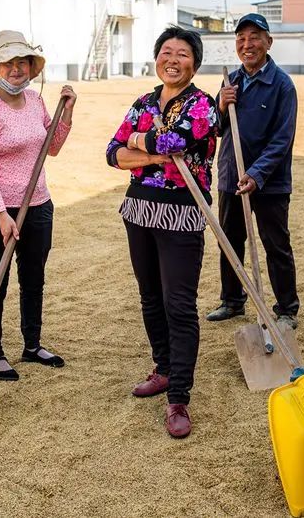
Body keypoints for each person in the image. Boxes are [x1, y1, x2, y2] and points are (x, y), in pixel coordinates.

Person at [105, 25, 219, 439]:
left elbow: (179, 139)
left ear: (195, 62)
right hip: (138, 210)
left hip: (181, 213)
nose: (173, 59)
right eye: (167, 51)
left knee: (179, 304)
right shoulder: (143, 101)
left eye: (183, 53)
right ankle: (164, 368)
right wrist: (154, 153)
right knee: (150, 297)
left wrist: (140, 147)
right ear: (157, 57)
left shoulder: (203, 104)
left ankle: (180, 397)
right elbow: (112, 153)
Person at [0, 30, 76, 382]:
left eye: (22, 62)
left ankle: (32, 345)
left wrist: (67, 114)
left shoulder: (35, 100)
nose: (16, 69)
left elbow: (53, 147)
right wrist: (1, 215)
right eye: (8, 63)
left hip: (38, 206)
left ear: (31, 66)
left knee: (34, 279)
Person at [205, 13, 301, 330]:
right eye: (241, 38)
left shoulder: (282, 85)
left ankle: (286, 308)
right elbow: (215, 131)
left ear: (268, 42)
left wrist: (257, 174)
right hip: (231, 176)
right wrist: (220, 105)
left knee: (276, 245)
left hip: (270, 183)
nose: (248, 44)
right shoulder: (229, 82)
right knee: (230, 242)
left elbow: (282, 139)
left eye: (255, 37)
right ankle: (232, 301)